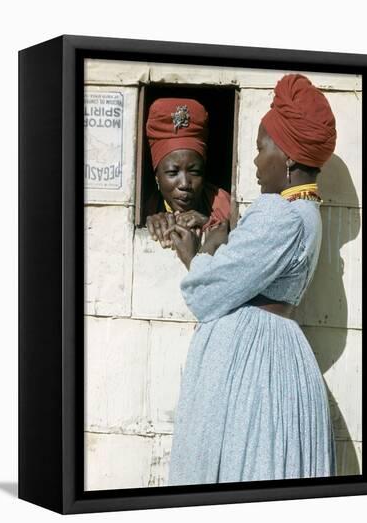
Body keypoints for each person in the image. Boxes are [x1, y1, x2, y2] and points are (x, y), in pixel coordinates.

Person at [165, 74, 337, 484]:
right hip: (271, 349)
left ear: (289, 157)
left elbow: (210, 291)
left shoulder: (280, 215)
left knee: (241, 464)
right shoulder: (306, 213)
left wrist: (199, 250)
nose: (256, 162)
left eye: (262, 149)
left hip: (253, 364)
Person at [144, 98, 231, 248]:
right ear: (157, 176)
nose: (184, 184)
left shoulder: (225, 206)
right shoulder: (147, 207)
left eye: (195, 172)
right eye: (172, 172)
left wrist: (209, 224)